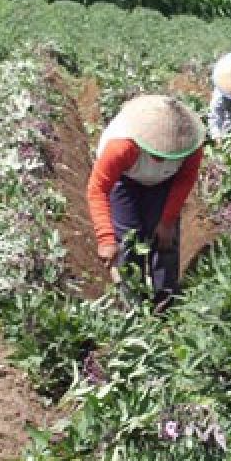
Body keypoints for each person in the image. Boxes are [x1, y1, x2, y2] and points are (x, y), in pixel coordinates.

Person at [87, 94, 205, 310]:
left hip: (165, 182)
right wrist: (106, 238)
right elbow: (98, 189)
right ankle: (132, 304)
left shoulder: (190, 146)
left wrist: (167, 221)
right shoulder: (121, 147)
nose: (164, 156)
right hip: (125, 178)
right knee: (127, 240)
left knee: (165, 241)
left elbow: (184, 181)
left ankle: (165, 304)